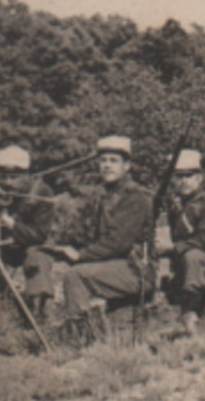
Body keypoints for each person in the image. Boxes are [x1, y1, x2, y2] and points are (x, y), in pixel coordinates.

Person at [52, 136, 154, 326]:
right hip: (115, 266)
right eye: (103, 160)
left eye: (114, 161)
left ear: (127, 166)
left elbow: (117, 243)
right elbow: (85, 233)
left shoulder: (134, 198)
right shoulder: (102, 196)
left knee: (76, 275)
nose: (107, 166)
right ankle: (85, 331)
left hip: (136, 269)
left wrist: (80, 255)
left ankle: (77, 334)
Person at [0, 145, 57, 320]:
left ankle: (37, 310)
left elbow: (39, 234)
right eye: (4, 177)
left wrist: (12, 225)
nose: (9, 182)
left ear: (26, 175)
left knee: (37, 257)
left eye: (14, 177)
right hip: (1, 246)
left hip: (31, 244)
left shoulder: (41, 192)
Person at [158, 149, 205, 333]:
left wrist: (172, 249)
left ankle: (191, 313)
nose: (184, 181)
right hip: (185, 269)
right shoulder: (175, 206)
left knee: (193, 256)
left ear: (199, 178)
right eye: (179, 176)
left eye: (189, 176)